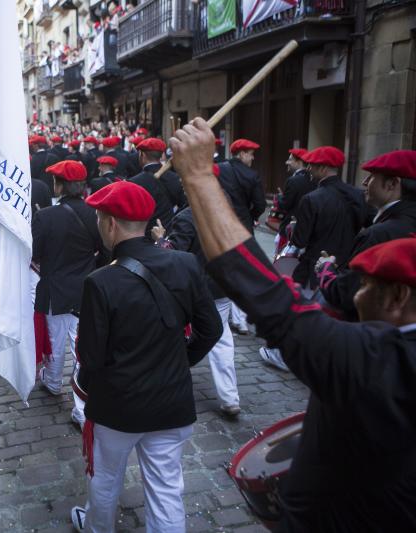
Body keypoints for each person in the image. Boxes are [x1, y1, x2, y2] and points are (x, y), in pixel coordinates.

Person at [168, 116, 416, 532]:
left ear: (398, 297)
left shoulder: (375, 363)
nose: (356, 294)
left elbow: (271, 300)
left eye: (367, 285)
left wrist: (197, 176)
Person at [70, 180, 222, 532]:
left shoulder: (100, 281)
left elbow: (91, 358)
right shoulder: (184, 263)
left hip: (118, 408)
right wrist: (181, 361)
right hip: (171, 401)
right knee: (167, 489)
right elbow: (211, 328)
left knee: (106, 479)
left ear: (110, 224)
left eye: (99, 218)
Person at [32, 161, 106, 427]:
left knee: (55, 342)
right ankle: (81, 408)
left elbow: (36, 254)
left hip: (55, 291)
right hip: (86, 289)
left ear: (59, 185)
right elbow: (105, 251)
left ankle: (52, 382)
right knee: (82, 349)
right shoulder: (96, 214)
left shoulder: (45, 217)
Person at [151, 199, 241, 417]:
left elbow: (173, 255)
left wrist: (160, 239)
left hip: (197, 288)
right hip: (224, 283)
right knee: (222, 339)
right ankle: (229, 397)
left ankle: (167, 385)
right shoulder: (227, 210)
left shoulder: (186, 217)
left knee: (172, 335)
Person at [317, 150, 416, 319]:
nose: (364, 182)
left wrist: (325, 268)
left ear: (392, 184)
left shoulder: (378, 235)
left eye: (371, 177)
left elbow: (346, 295)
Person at [290, 146, 366, 293]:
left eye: (311, 165)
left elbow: (299, 241)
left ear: (323, 168)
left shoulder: (311, 199)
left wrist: (293, 228)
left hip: (316, 271)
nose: (308, 169)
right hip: (345, 269)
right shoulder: (358, 194)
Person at [217, 138, 266, 333]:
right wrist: (250, 216)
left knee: (223, 269)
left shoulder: (219, 168)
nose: (253, 158)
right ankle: (241, 320)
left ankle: (226, 314)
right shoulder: (252, 175)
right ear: (242, 153)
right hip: (242, 226)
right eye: (251, 154)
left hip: (220, 223)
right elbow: (260, 205)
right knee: (242, 271)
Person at [128, 138, 176, 229]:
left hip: (145, 234)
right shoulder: (175, 178)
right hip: (170, 233)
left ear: (142, 155)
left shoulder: (134, 182)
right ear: (162, 155)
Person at [277, 148, 315, 243]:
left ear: (299, 162)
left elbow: (285, 205)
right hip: (308, 229)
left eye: (290, 159)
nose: (287, 162)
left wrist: (280, 197)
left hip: (290, 227)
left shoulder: (293, 181)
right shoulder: (314, 180)